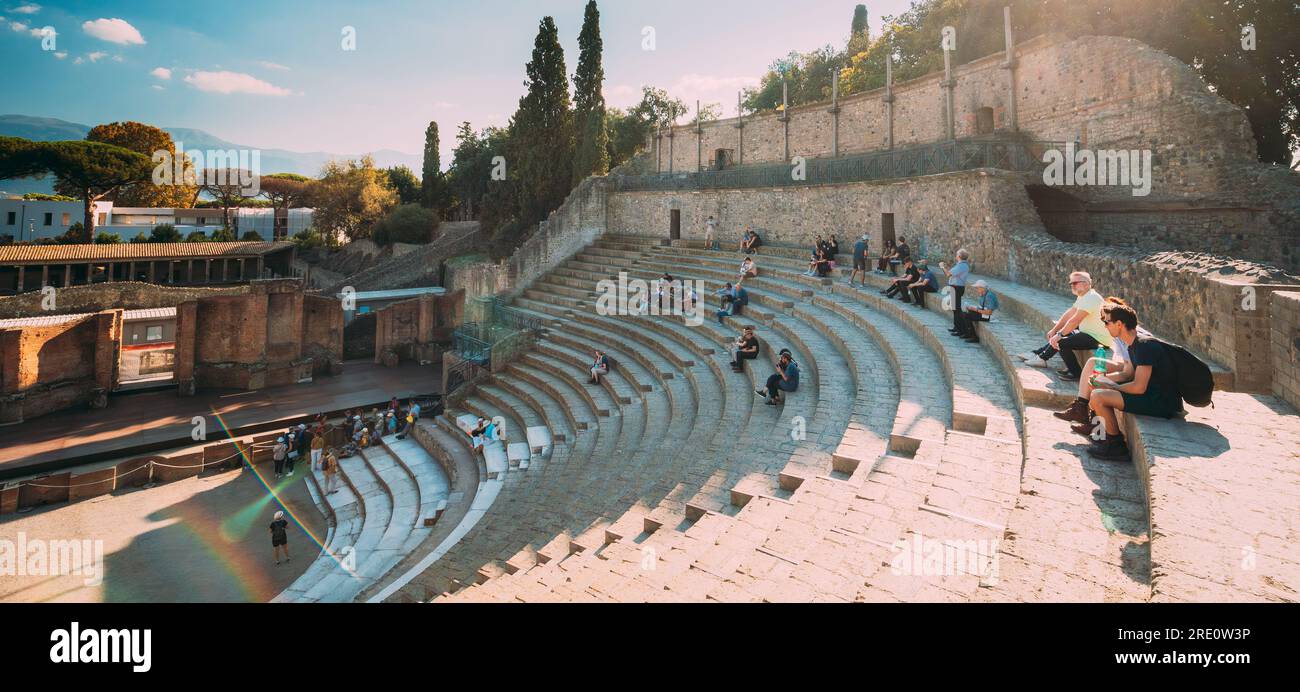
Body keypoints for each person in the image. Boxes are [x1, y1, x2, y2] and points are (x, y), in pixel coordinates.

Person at [1084, 303, 1184, 460]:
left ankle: (1116, 446)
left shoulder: (1144, 346)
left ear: (1119, 324)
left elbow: (1138, 387)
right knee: (1098, 389)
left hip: (1161, 402)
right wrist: (1105, 381)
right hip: (1151, 395)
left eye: (1107, 322)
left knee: (1098, 396)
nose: (1105, 326)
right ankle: (1102, 434)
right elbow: (1127, 374)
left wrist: (1110, 385)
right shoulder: (1133, 345)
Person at [1018, 271, 1115, 382]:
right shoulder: (1084, 296)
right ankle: (1038, 354)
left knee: (1060, 342)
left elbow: (1075, 320)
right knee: (1064, 335)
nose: (1072, 285)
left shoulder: (1091, 298)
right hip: (1088, 333)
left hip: (1099, 338)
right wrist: (1055, 329)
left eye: (1075, 283)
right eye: (1071, 283)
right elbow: (1069, 313)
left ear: (1087, 283)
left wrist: (1059, 334)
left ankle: (1075, 373)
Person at [939, 249, 971, 332]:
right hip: (955, 287)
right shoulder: (960, 265)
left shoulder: (962, 266)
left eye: (957, 254)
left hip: (957, 288)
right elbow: (951, 273)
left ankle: (960, 329)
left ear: (959, 256)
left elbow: (948, 274)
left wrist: (942, 267)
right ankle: (956, 327)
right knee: (954, 308)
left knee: (956, 309)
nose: (956, 255)